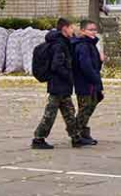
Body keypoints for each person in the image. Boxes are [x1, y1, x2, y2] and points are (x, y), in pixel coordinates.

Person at [33, 18, 88, 149]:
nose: (73, 30)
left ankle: (76, 138)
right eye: (71, 28)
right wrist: (69, 76)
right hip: (57, 85)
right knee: (50, 114)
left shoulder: (64, 42)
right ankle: (38, 139)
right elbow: (56, 66)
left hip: (63, 85)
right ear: (65, 29)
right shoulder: (59, 44)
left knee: (69, 111)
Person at [71, 20, 104, 147]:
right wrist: (95, 80)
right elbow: (86, 66)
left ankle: (83, 132)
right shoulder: (83, 45)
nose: (93, 32)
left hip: (91, 82)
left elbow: (95, 65)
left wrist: (100, 60)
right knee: (85, 108)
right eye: (90, 29)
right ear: (83, 31)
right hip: (85, 83)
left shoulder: (91, 44)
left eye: (95, 29)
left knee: (90, 106)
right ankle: (76, 136)